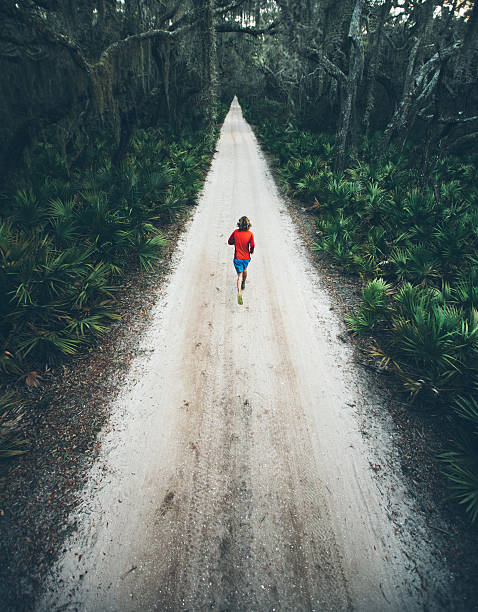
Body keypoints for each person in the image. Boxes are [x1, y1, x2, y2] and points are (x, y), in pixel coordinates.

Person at [228, 216, 255, 305]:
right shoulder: (250, 234)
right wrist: (251, 251)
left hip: (237, 258)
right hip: (246, 258)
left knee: (239, 275)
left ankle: (239, 292)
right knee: (245, 269)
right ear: (248, 225)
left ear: (239, 224)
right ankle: (244, 283)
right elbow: (252, 245)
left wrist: (235, 242)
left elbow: (229, 242)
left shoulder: (235, 232)